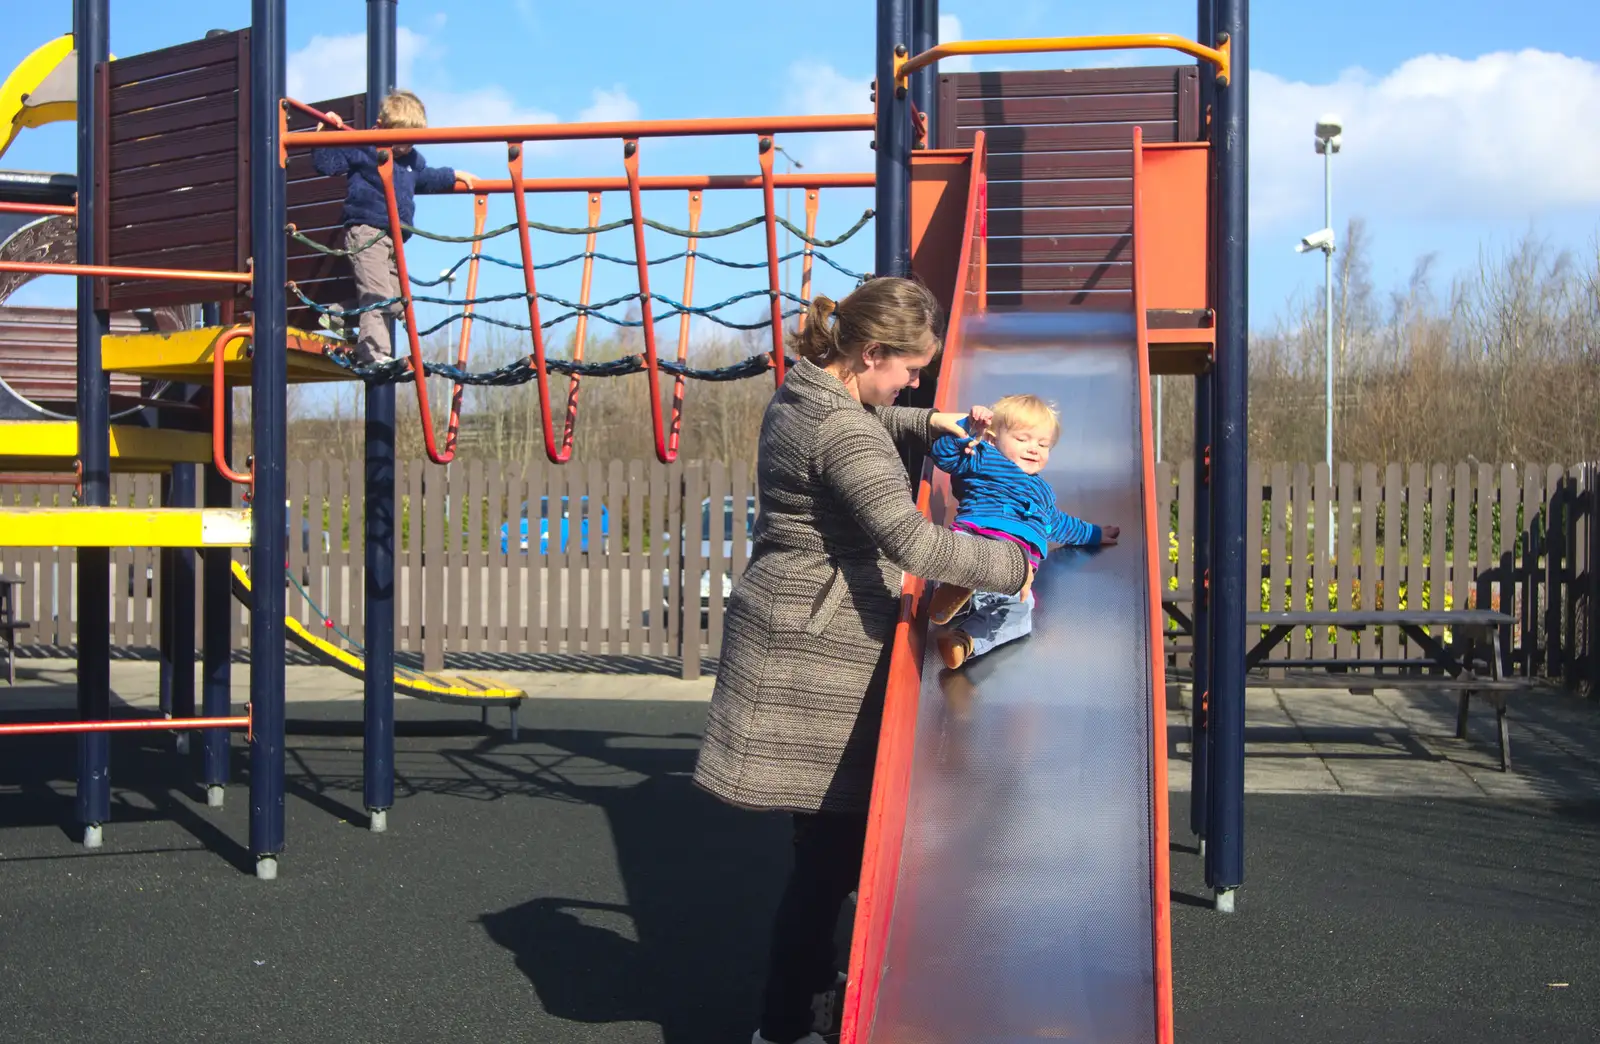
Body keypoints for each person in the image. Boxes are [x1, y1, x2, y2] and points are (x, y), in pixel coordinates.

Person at [691, 277, 1035, 1044]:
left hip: (791, 622)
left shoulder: (806, 392)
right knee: (828, 860)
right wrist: (1015, 566)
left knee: (821, 848)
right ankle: (786, 1022)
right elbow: (913, 541)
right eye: (909, 369)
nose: (915, 381)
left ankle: (803, 1002)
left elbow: (866, 414)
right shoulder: (842, 433)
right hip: (819, 649)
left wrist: (926, 418)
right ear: (871, 352)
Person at [925, 393, 1119, 670]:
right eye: (1022, 439)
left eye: (1043, 444)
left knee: (1021, 613)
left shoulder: (1044, 492)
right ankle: (959, 581)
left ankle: (964, 642)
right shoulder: (984, 457)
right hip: (977, 543)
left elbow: (1060, 525)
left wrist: (1095, 534)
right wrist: (967, 430)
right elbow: (944, 456)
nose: (1034, 449)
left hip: (1014, 576)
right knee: (959, 553)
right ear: (993, 439)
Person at [310, 89, 477, 364]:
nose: (406, 146)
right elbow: (327, 165)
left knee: (400, 301)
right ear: (381, 126)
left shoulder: (411, 161)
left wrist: (454, 175)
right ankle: (374, 355)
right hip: (366, 231)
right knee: (378, 297)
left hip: (392, 239)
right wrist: (322, 133)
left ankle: (338, 314)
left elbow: (426, 178)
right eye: (401, 138)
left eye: (412, 139)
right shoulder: (365, 147)